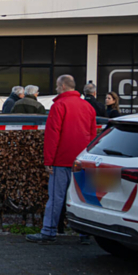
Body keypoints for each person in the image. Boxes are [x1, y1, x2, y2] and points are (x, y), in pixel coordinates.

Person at [27, 74, 97, 245]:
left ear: (63, 86)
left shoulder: (59, 106)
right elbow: (93, 135)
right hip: (82, 161)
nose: (56, 89)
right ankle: (85, 234)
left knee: (56, 198)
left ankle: (48, 231)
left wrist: (49, 161)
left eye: (58, 86)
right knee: (83, 197)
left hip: (61, 160)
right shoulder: (88, 107)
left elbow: (53, 135)